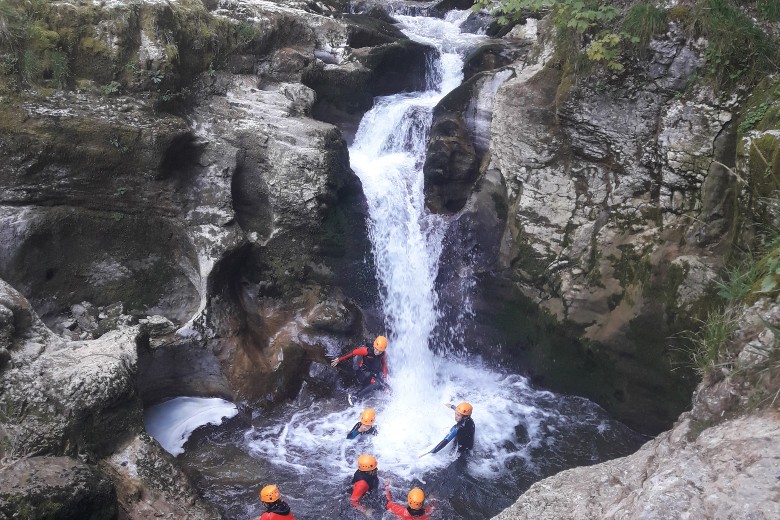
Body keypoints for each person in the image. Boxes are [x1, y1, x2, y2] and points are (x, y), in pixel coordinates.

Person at [331, 336, 389, 404]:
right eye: (376, 349)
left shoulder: (383, 353)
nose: (377, 352)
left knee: (387, 387)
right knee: (376, 383)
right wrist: (339, 359)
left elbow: (384, 363)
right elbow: (352, 353)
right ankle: (355, 397)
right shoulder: (366, 351)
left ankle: (383, 390)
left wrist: (385, 376)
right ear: (374, 345)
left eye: (380, 351)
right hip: (363, 373)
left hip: (373, 373)